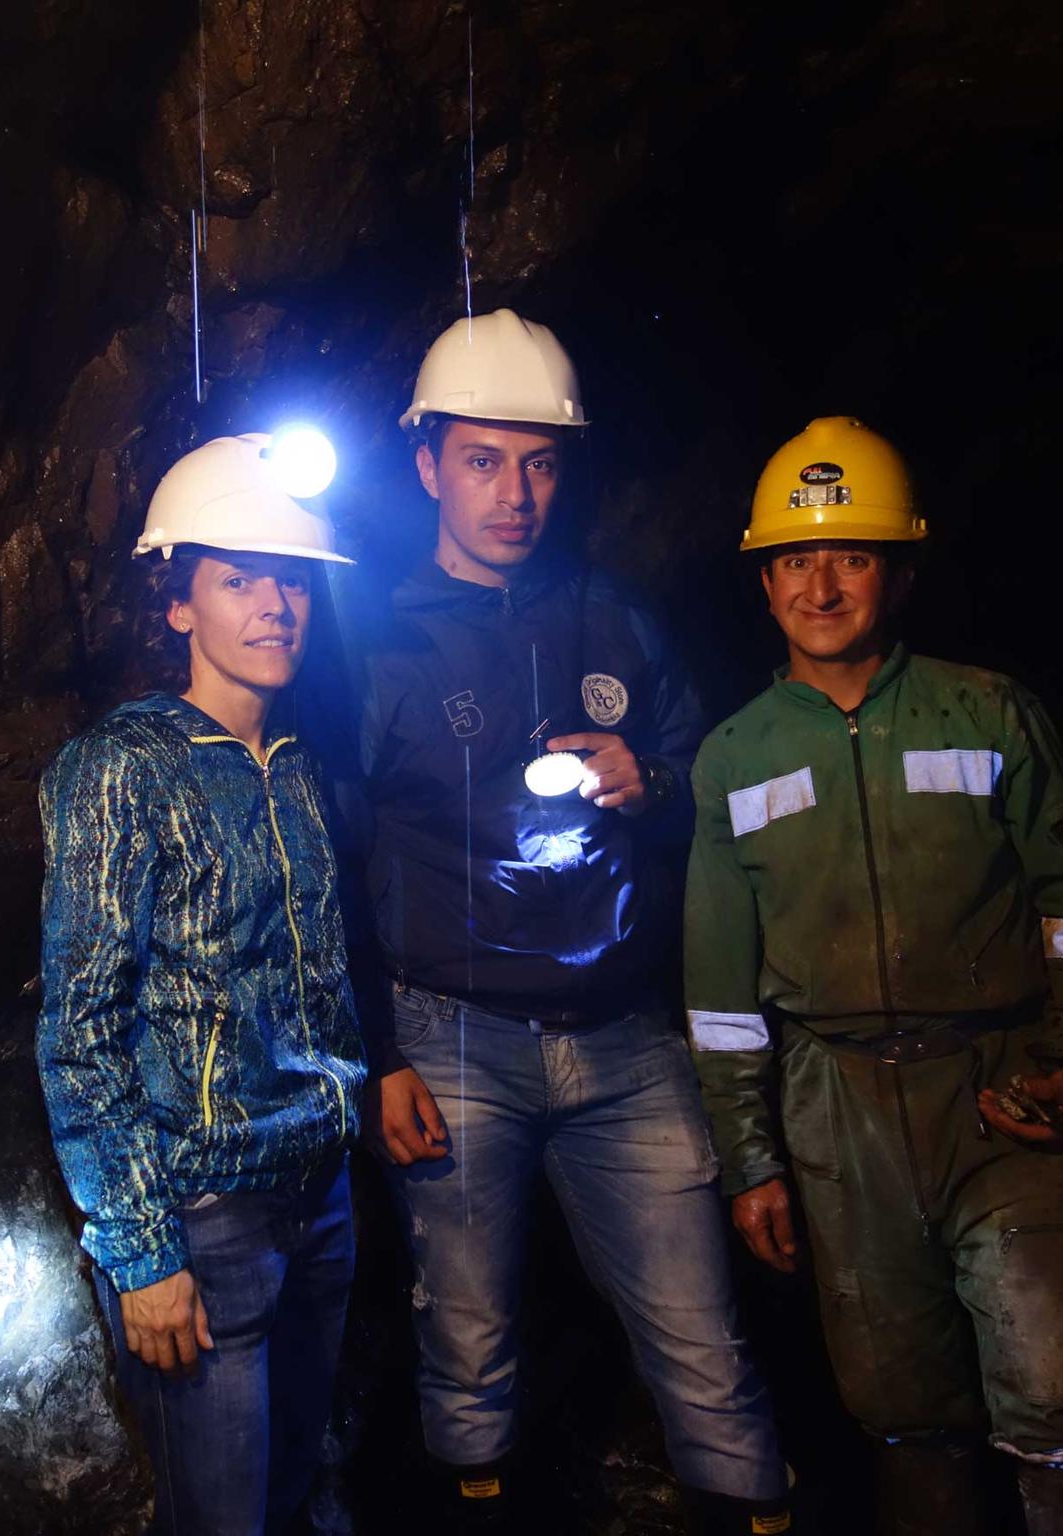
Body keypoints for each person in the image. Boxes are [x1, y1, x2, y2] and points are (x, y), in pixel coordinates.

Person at [339, 309, 791, 1534]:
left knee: (706, 1340)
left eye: (538, 462)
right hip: (452, 1035)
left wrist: (655, 784)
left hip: (625, 1040)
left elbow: (714, 782)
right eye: (483, 460)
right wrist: (378, 1052)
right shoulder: (371, 640)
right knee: (470, 1343)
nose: (514, 493)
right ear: (429, 464)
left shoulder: (620, 617)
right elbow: (330, 857)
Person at [684, 417, 1063, 1536]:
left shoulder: (987, 712)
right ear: (764, 579)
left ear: (899, 571)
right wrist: (750, 1162)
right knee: (902, 1407)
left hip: (1003, 1094)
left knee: (1058, 1382)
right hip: (838, 1116)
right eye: (796, 558)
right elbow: (722, 996)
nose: (822, 584)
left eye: (851, 555)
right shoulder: (735, 756)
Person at [37, 434, 367, 1536]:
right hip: (206, 1218)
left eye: (292, 579)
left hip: (319, 1197)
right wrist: (141, 1253)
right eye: (238, 580)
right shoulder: (122, 768)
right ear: (180, 606)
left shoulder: (303, 764)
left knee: (297, 1488)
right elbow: (80, 1027)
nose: (275, 604)